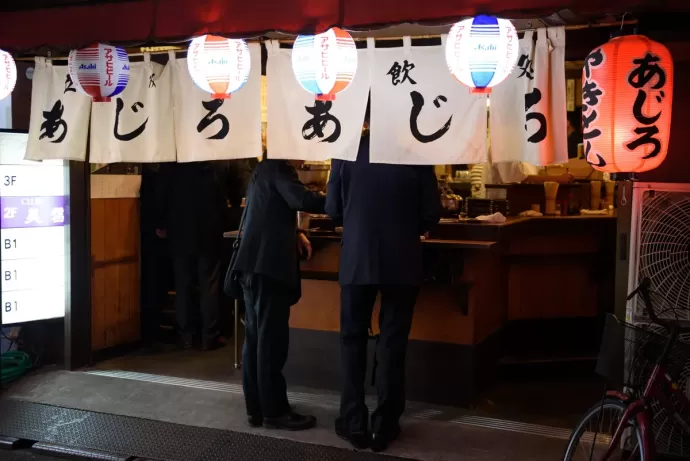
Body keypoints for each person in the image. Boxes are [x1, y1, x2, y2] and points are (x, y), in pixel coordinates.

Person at [326, 121, 442, 452]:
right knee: (392, 342)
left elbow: (332, 210)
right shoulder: (416, 153)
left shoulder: (345, 152)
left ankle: (354, 422)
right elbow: (432, 212)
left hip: (357, 259)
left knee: (352, 340)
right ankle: (385, 425)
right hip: (403, 260)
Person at [232, 158, 326, 431]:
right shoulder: (281, 167)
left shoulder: (264, 166)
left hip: (253, 266)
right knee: (271, 342)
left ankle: (257, 408)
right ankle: (274, 412)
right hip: (267, 267)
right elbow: (302, 199)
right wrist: (341, 198)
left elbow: (269, 207)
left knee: (255, 340)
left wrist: (296, 231)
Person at [155, 160, 252, 351]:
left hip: (180, 224)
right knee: (210, 281)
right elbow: (237, 188)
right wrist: (231, 206)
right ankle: (210, 336)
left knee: (183, 283)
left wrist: (161, 221)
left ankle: (187, 337)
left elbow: (163, 187)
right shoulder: (218, 155)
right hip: (211, 224)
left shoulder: (177, 154)